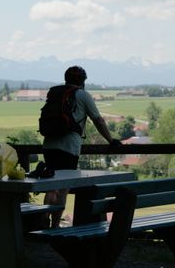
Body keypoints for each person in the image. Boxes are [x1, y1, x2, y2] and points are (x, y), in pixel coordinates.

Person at [41, 65, 121, 228]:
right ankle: (55, 226)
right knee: (63, 187)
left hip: (49, 144)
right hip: (69, 146)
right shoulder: (82, 95)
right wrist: (111, 140)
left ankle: (43, 221)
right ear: (83, 81)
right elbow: (98, 120)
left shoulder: (56, 93)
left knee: (50, 186)